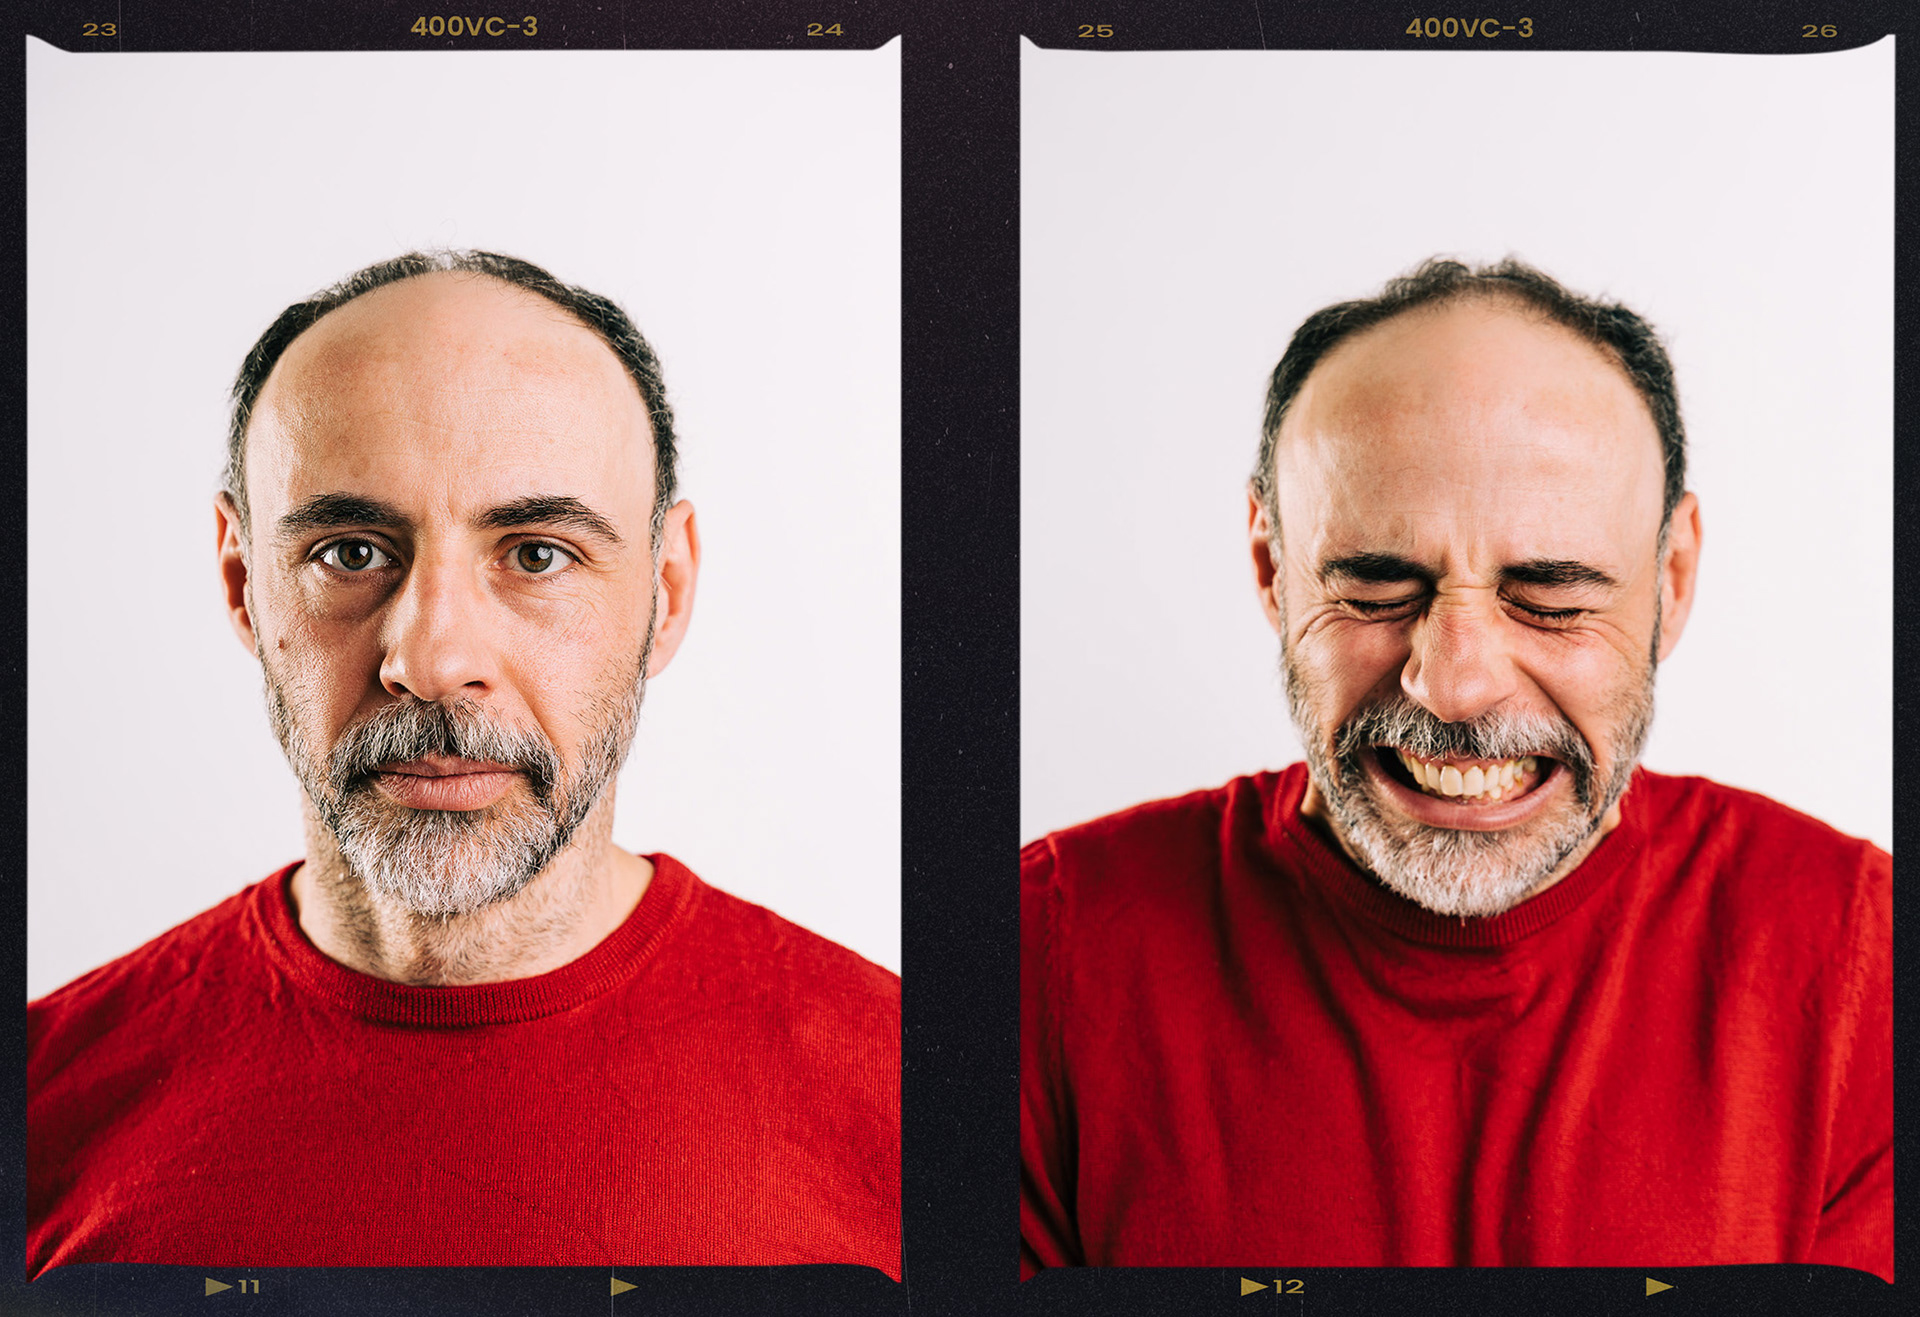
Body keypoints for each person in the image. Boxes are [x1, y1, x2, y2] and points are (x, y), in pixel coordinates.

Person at [28, 252, 900, 1278]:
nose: (434, 661)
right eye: (349, 552)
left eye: (536, 553)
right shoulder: (42, 1103)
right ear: (242, 586)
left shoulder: (921, 1102)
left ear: (666, 590)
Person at [1020, 258, 1890, 1281]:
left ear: (1673, 579)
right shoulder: (1037, 955)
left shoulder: (1862, 971)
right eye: (1378, 587)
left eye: (1552, 597)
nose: (1455, 684)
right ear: (1270, 565)